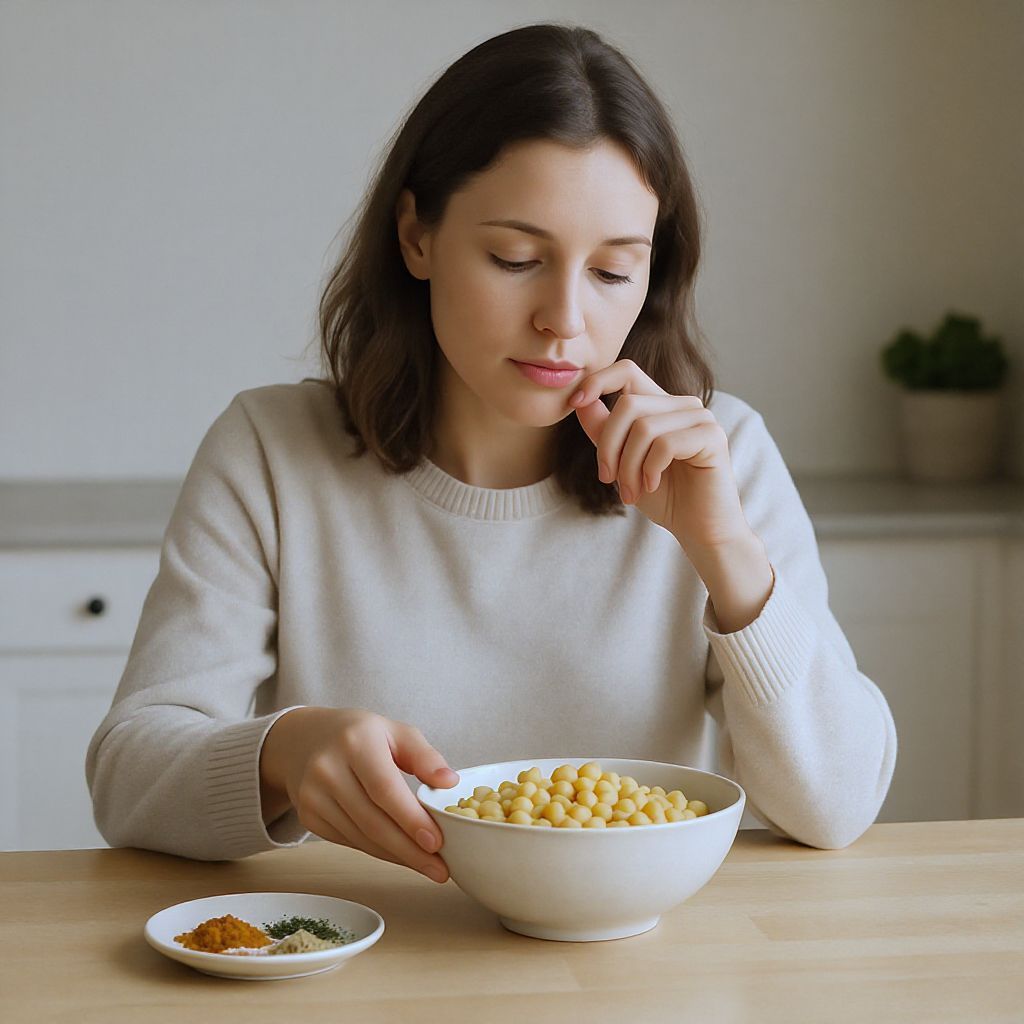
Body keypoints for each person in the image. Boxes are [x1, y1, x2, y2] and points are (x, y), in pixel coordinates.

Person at [86, 22, 896, 885]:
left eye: (614, 273)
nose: (564, 319)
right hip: (366, 963)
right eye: (515, 258)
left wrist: (729, 560)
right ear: (416, 237)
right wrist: (282, 753)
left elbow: (838, 806)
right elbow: (127, 775)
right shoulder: (272, 453)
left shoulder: (720, 453)